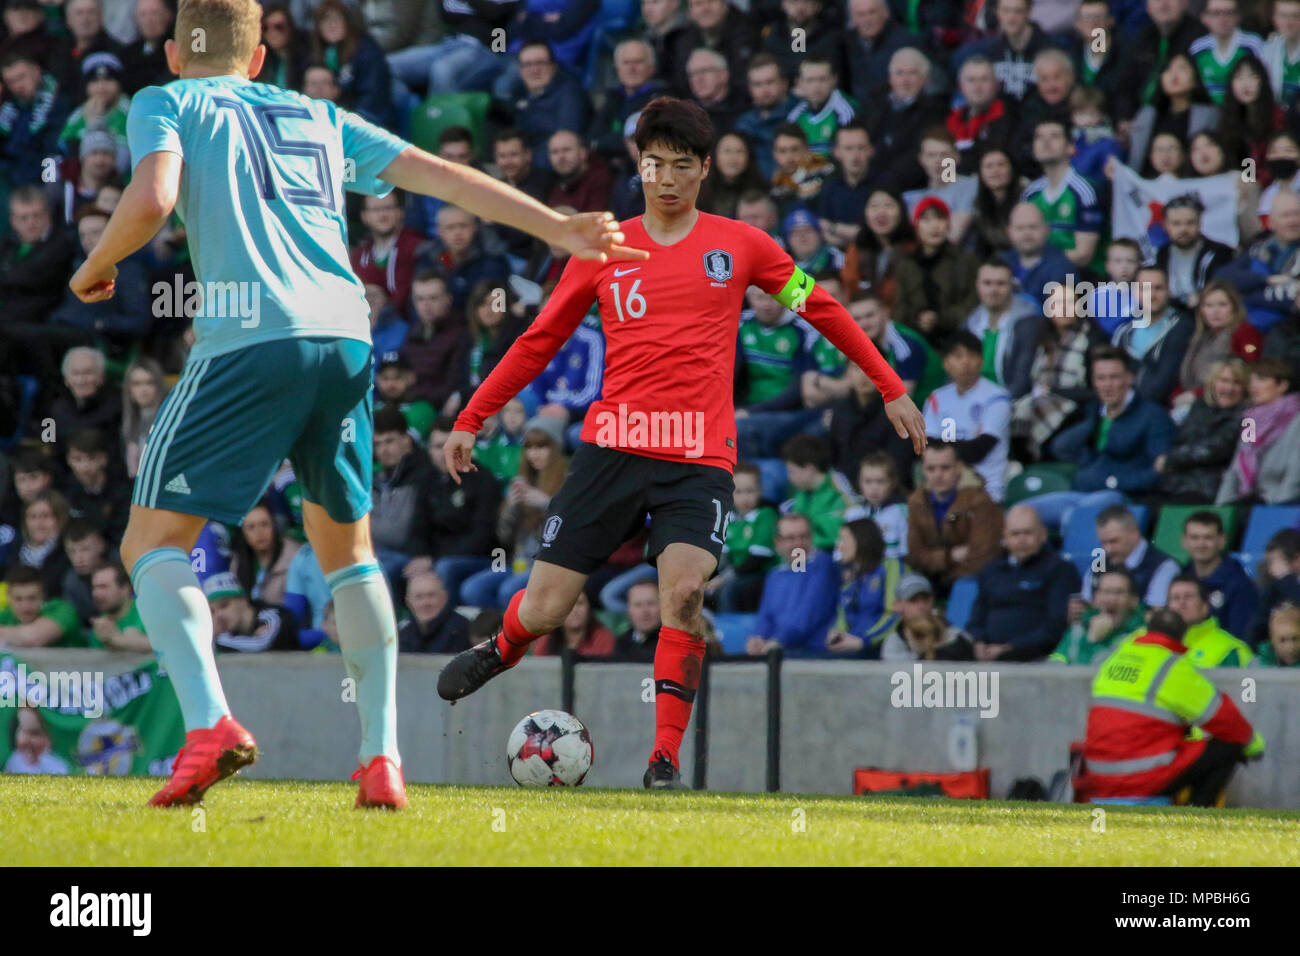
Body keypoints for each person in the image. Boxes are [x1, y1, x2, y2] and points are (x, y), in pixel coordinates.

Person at [66, 0, 639, 811]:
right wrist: (557, 227)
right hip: (345, 337)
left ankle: (209, 726)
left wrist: (96, 262)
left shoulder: (167, 100)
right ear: (260, 57)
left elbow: (155, 198)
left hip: (250, 335)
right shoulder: (317, 114)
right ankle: (381, 758)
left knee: (149, 544)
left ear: (169, 53)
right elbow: (441, 176)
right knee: (349, 552)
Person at [433, 95, 925, 791]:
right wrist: (471, 417)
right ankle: (502, 645)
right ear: (638, 166)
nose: (663, 177)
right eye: (652, 163)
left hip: (698, 460)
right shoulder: (603, 250)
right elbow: (540, 339)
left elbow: (821, 305)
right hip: (612, 449)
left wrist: (889, 384)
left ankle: (664, 758)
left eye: (680, 165)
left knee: (686, 592)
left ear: (702, 172)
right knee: (545, 608)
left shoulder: (742, 244)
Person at [1078, 608, 1264, 806]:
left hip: (1098, 775)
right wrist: (1253, 745)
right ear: (1182, 637)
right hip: (1141, 777)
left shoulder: (1116, 659)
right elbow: (1224, 718)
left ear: (1147, 630)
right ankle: (1199, 813)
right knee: (1230, 745)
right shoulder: (1171, 667)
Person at [1035, 347, 1175, 531]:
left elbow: (1160, 471)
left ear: (1129, 378)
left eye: (1114, 377)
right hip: (1083, 493)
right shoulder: (1097, 412)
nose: (1107, 385)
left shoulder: (1152, 416)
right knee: (1023, 513)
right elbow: (1062, 447)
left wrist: (1115, 482)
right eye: (1101, 378)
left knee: (1075, 517)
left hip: (1123, 498)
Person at [967, 504, 1079, 661]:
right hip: (987, 652)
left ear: (1043, 535)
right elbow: (977, 617)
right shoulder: (990, 570)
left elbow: (1055, 626)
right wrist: (978, 643)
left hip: (1035, 654)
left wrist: (1010, 648)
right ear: (1004, 538)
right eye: (1015, 534)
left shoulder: (1060, 569)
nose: (1021, 539)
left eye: (1028, 533)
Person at [923, 330, 1011, 500]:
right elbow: (927, 444)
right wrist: (967, 442)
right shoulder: (937, 397)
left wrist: (945, 444)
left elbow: (977, 451)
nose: (965, 362)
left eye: (971, 355)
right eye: (957, 356)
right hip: (941, 485)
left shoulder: (997, 398)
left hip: (986, 486)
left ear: (981, 360)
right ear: (946, 363)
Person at [906, 441, 1003, 593]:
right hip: (929, 579)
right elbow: (915, 555)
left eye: (945, 468)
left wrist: (944, 574)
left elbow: (983, 556)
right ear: (923, 470)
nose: (938, 475)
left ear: (958, 467)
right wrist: (949, 556)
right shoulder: (916, 502)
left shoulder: (980, 501)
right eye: (931, 469)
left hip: (969, 580)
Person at [745, 511, 838, 658]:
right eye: (790, 538)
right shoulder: (775, 575)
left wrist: (777, 641)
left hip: (811, 652)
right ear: (777, 542)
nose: (798, 543)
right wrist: (758, 638)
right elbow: (766, 616)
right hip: (779, 649)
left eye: (804, 536)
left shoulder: (823, 566)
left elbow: (808, 616)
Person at [1157, 358, 1249, 502]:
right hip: (1175, 482)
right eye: (1224, 381)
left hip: (1211, 488)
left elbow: (1217, 449)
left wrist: (1171, 459)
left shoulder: (1250, 416)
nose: (1229, 388)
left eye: (1236, 383)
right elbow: (1180, 439)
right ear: (1213, 383)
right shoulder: (1199, 406)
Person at [1216, 358, 1300, 504]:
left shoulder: (1296, 419)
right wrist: (1222, 506)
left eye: (1261, 379)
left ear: (1282, 385)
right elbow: (1236, 465)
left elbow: (1296, 470)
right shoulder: (1251, 420)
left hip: (1280, 500)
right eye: (1252, 380)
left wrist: (1280, 507)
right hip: (1247, 498)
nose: (1253, 386)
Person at [1111, 264, 1195, 406]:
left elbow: (1161, 385)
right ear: (1134, 292)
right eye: (1145, 289)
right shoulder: (1124, 331)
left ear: (1168, 290)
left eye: (1158, 288)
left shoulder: (1182, 328)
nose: (1152, 295)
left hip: (1157, 408)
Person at [821, 518, 900, 658]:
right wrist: (836, 634)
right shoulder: (850, 577)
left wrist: (864, 641)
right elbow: (842, 615)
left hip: (875, 647)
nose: (839, 546)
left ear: (861, 541)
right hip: (849, 644)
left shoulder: (891, 567)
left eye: (843, 540)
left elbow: (894, 614)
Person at [964, 259, 1043, 399]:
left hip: (1010, 402)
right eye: (987, 283)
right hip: (972, 400)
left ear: (1011, 286)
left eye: (1000, 283)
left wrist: (996, 405)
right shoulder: (969, 323)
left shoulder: (1028, 323)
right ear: (977, 285)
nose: (993, 290)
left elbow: (1022, 380)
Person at [707, 461, 778, 614]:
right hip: (736, 572)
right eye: (738, 492)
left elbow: (757, 559)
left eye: (750, 491)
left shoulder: (766, 516)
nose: (745, 498)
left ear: (760, 490)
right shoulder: (730, 519)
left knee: (729, 590)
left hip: (760, 574)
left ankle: (731, 631)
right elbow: (723, 558)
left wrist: (723, 579)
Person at [1082, 505, 1181, 609]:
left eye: (1114, 541)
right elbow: (1087, 606)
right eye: (1103, 543)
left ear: (1134, 533)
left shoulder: (1164, 567)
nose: (1108, 549)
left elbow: (1155, 613)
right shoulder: (1098, 565)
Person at [1180, 510, 1258, 641]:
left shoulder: (1240, 585)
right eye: (1194, 537)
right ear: (1184, 541)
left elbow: (1240, 639)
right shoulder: (1180, 579)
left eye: (1208, 537)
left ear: (1222, 540)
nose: (1201, 544)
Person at [1050, 568, 1146, 665]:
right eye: (1105, 592)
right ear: (1095, 598)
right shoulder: (1079, 629)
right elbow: (1055, 668)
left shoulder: (1142, 635)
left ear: (1134, 600)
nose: (1111, 599)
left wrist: (1093, 643)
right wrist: (1090, 639)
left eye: (1119, 592)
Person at [780, 434, 855, 553]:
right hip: (807, 554)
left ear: (809, 468)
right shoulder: (801, 494)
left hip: (833, 554)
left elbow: (848, 525)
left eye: (792, 472)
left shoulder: (838, 485)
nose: (790, 478)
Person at [1166, 574, 1255, 668]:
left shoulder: (1229, 650)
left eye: (1189, 597)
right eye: (1175, 598)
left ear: (1205, 606)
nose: (1182, 603)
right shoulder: (1154, 645)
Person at [0, 564, 86, 647]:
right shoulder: (5, 616)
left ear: (43, 596)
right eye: (18, 599)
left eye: (32, 598)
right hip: (24, 663)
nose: (25, 606)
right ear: (9, 597)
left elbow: (32, 638)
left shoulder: (63, 610)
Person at [397, 571, 470, 654]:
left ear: (445, 597)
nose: (425, 603)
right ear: (408, 602)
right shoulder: (402, 634)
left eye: (431, 595)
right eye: (419, 597)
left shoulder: (463, 630)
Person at [120, 357, 168, 479]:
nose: (143, 389)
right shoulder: (126, 422)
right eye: (137, 384)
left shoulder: (168, 421)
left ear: (159, 386)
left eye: (149, 382)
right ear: (129, 389)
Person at [531, 589, 615, 657]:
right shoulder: (546, 639)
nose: (574, 610)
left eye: (580, 603)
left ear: (589, 608)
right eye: (568, 605)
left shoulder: (604, 638)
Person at [89, 562, 151, 652]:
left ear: (125, 589)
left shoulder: (148, 611)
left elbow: (168, 645)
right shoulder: (100, 624)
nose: (95, 594)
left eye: (103, 587)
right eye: (94, 587)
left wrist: (117, 639)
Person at [613, 579, 663, 662]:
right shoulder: (622, 642)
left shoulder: (671, 643)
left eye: (651, 603)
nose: (644, 611)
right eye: (638, 605)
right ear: (629, 610)